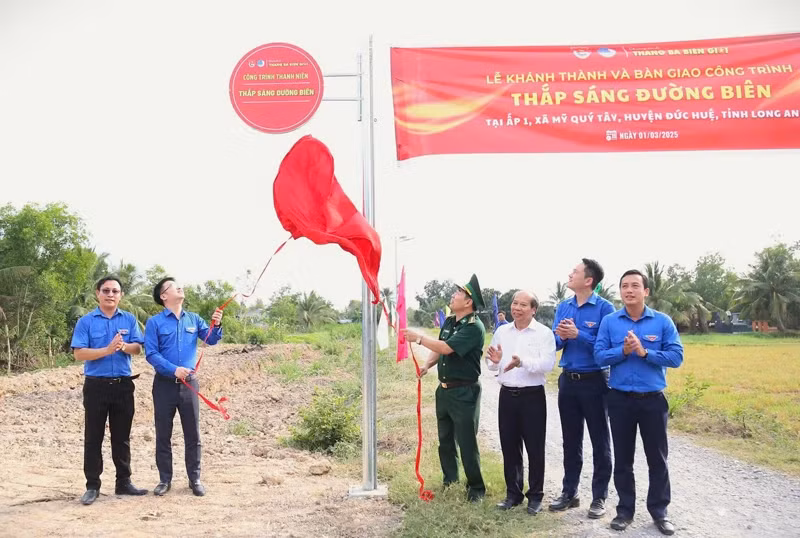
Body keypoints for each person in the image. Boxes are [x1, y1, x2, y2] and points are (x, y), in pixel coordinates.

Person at [595, 269, 683, 536]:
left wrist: (645, 353)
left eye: (635, 286)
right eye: (624, 286)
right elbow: (599, 356)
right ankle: (625, 511)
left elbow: (676, 357)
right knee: (623, 459)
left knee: (657, 459)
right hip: (620, 400)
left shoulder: (662, 321)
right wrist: (622, 351)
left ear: (646, 291)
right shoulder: (611, 322)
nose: (629, 290)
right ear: (620, 292)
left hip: (653, 401)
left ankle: (659, 512)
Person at [401, 274, 487, 502]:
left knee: (467, 442)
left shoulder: (474, 327)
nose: (453, 295)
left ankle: (476, 488)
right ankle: (450, 480)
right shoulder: (450, 322)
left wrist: (418, 338)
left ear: (468, 301)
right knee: (445, 439)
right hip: (445, 390)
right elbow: (438, 349)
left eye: (458, 293)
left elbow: (447, 347)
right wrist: (427, 365)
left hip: (464, 392)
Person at [71, 276, 147, 505]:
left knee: (121, 438)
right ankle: (92, 486)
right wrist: (106, 350)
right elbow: (79, 353)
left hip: (123, 385)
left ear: (121, 295)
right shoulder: (86, 321)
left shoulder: (129, 319)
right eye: (106, 290)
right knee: (93, 437)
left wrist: (123, 346)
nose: (110, 294)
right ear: (98, 293)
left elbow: (138, 348)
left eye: (115, 291)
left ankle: (123, 482)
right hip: (96, 386)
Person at [144, 277, 223, 497]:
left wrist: (216, 324)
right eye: (173, 286)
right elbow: (151, 354)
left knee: (193, 434)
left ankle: (194, 478)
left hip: (189, 385)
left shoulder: (194, 319)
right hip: (164, 385)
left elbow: (211, 339)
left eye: (180, 284)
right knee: (163, 433)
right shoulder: (155, 322)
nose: (180, 287)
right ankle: (164, 480)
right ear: (163, 296)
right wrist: (173, 369)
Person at [549, 259, 616, 518]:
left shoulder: (605, 308)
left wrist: (579, 335)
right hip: (568, 381)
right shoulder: (563, 306)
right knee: (570, 440)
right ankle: (570, 492)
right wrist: (562, 337)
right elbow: (555, 343)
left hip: (595, 381)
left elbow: (606, 346)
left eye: (575, 272)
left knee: (600, 441)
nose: (570, 274)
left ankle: (599, 497)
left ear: (588, 280)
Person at [485, 290, 556, 515]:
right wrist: (495, 362)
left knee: (535, 448)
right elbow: (491, 363)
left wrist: (522, 362)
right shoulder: (502, 332)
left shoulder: (544, 333)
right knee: (509, 446)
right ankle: (513, 494)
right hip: (507, 395)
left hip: (532, 397)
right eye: (515, 303)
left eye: (523, 304)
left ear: (533, 309)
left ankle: (535, 497)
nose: (517, 307)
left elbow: (547, 364)